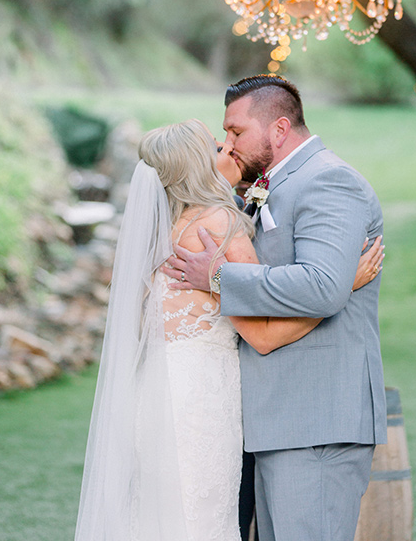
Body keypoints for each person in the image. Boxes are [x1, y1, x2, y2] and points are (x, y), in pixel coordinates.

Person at [74, 117, 382, 541]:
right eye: (219, 148)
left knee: (154, 520)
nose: (230, 150)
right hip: (199, 402)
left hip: (154, 396)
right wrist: (343, 287)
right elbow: (263, 334)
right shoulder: (220, 224)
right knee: (202, 522)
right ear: (199, 168)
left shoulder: (160, 231)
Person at [164, 76, 387, 541]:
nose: (228, 145)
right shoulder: (272, 185)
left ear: (279, 129)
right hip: (278, 421)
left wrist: (220, 277)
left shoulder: (329, 180)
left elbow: (324, 286)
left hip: (315, 420)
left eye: (236, 132)